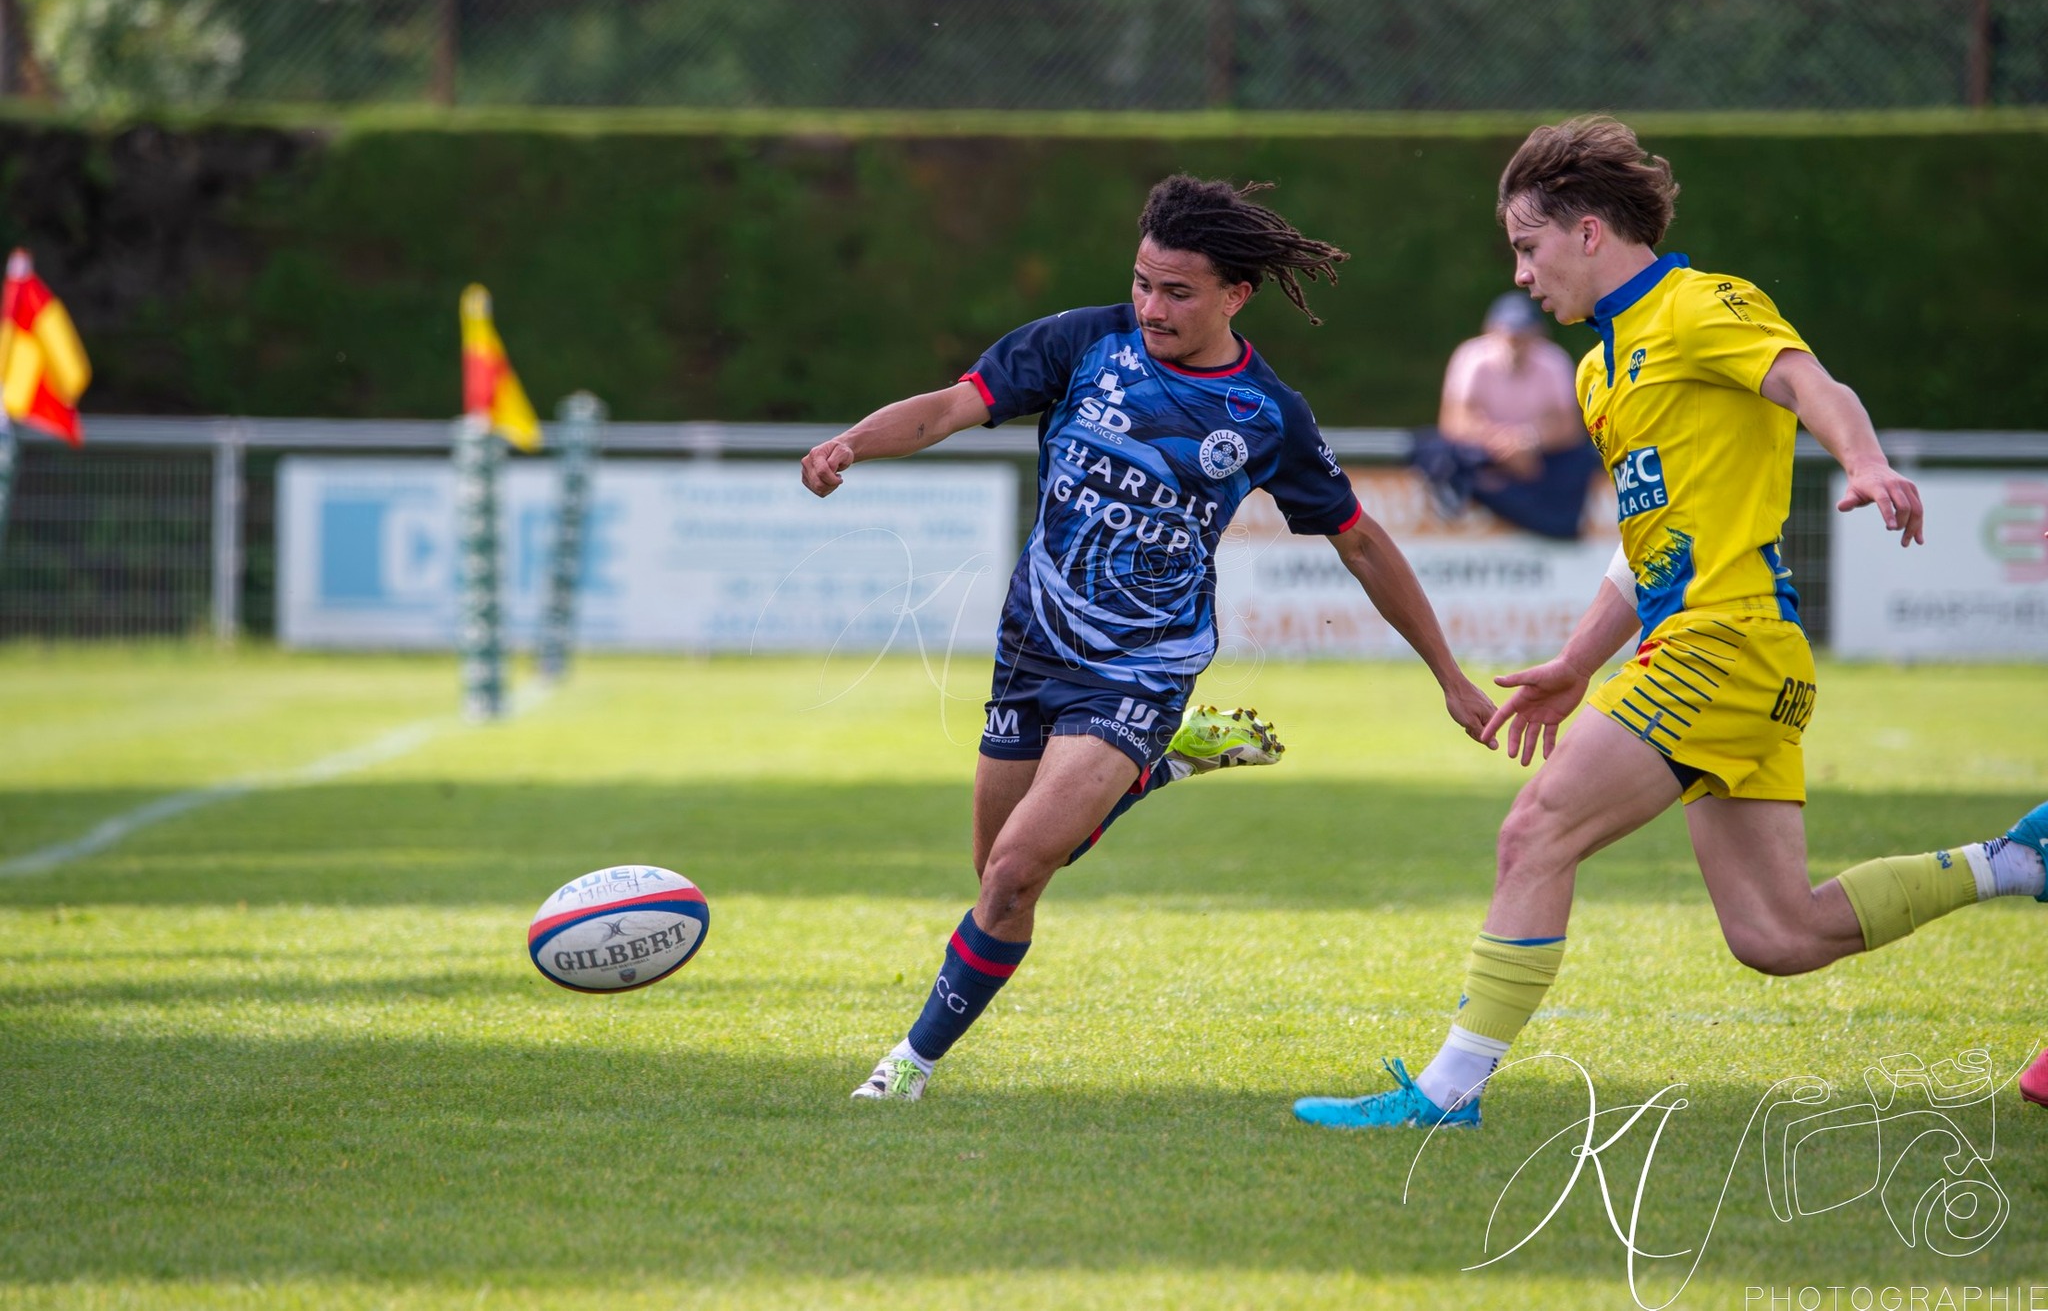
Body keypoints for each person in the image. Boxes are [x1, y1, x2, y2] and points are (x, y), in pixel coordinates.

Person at [1292, 116, 2048, 1131]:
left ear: (1589, 231)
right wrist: (1571, 661)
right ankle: (2017, 862)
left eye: (1526, 246)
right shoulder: (1600, 372)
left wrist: (1862, 461)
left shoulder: (1700, 305)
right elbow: (1643, 546)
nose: (1520, 276)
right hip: (1725, 651)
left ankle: (1444, 1093)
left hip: (1723, 642)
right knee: (1776, 933)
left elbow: (1806, 382)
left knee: (1535, 829)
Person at [801, 175, 1498, 1102]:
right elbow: (946, 408)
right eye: (1142, 283)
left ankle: (908, 1066)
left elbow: (1361, 541)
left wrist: (1450, 677)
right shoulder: (1082, 343)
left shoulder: (1264, 414)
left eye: (1178, 292)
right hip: (1033, 645)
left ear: (1235, 296)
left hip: (1144, 663)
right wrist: (851, 442)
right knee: (1000, 875)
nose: (1151, 307)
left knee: (1012, 873)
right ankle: (1160, 767)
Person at [1410, 292, 1603, 539]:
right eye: (1509, 333)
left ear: (1537, 335)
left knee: (1579, 459)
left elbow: (1569, 427)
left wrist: (1529, 442)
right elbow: (1453, 421)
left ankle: (1543, 519)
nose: (1515, 341)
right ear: (1491, 331)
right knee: (1435, 449)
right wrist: (1504, 446)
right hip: (1486, 454)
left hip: (1538, 458)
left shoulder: (1554, 362)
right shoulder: (1471, 357)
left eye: (1522, 334)